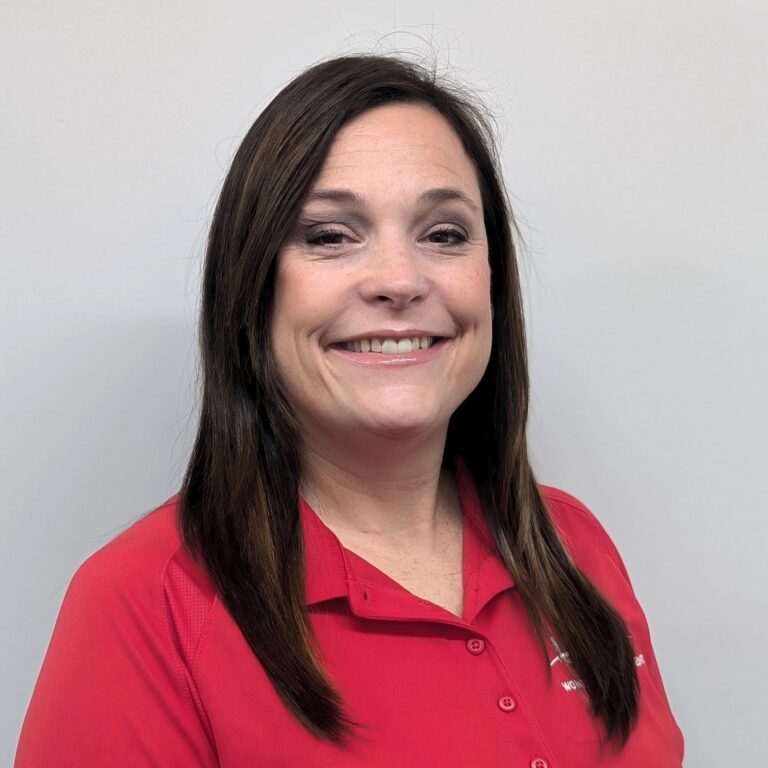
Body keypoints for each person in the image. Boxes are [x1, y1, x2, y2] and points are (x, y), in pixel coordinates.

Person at [14, 54, 684, 767]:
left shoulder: (575, 543)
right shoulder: (144, 604)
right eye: (331, 235)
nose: (399, 279)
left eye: (445, 234)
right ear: (254, 288)